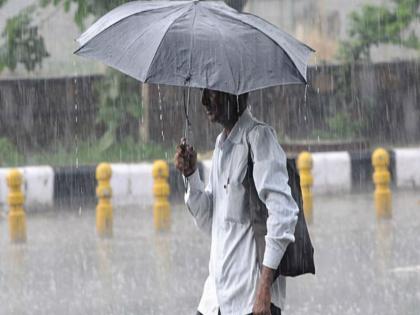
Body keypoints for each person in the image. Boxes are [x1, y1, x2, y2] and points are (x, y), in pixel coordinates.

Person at [174, 89, 299, 315]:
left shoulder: (259, 138)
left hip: (250, 300)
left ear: (236, 94)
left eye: (212, 92)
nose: (204, 100)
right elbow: (210, 222)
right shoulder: (221, 146)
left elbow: (284, 214)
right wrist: (191, 176)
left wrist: (264, 290)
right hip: (215, 298)